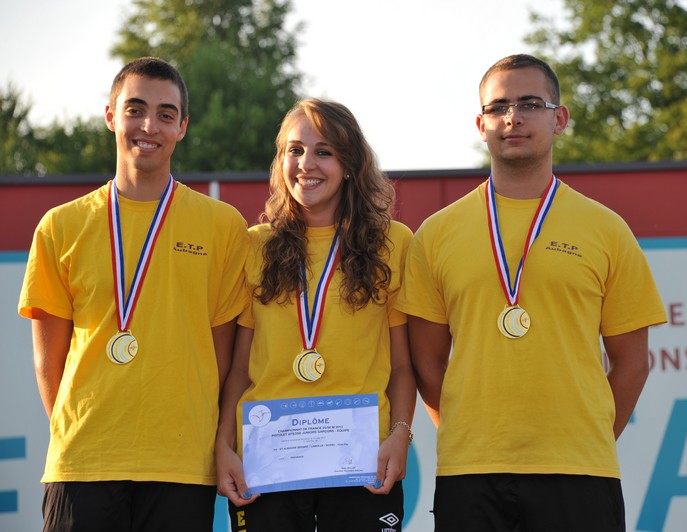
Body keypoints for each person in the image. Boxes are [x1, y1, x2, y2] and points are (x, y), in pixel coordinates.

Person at [396, 54, 668, 531]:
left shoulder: (606, 229)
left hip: (580, 469)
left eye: (529, 103)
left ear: (558, 119)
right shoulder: (436, 234)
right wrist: (473, 435)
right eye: (498, 106)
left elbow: (631, 362)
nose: (513, 117)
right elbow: (426, 364)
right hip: (470, 471)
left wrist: (588, 440)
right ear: (481, 124)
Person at [18, 57, 250, 531]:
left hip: (183, 466)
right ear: (110, 115)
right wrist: (88, 436)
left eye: (166, 114)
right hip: (84, 465)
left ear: (182, 126)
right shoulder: (60, 227)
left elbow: (224, 359)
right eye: (135, 109)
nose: (149, 126)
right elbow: (49, 363)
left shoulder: (223, 226)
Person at [215, 98, 416, 531]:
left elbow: (402, 367)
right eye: (295, 150)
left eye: (324, 151)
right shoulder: (254, 246)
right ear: (280, 161)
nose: (307, 163)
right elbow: (238, 370)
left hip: (363, 464)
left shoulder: (394, 244)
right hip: (267, 464)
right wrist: (224, 445)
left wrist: (400, 434)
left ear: (350, 165)